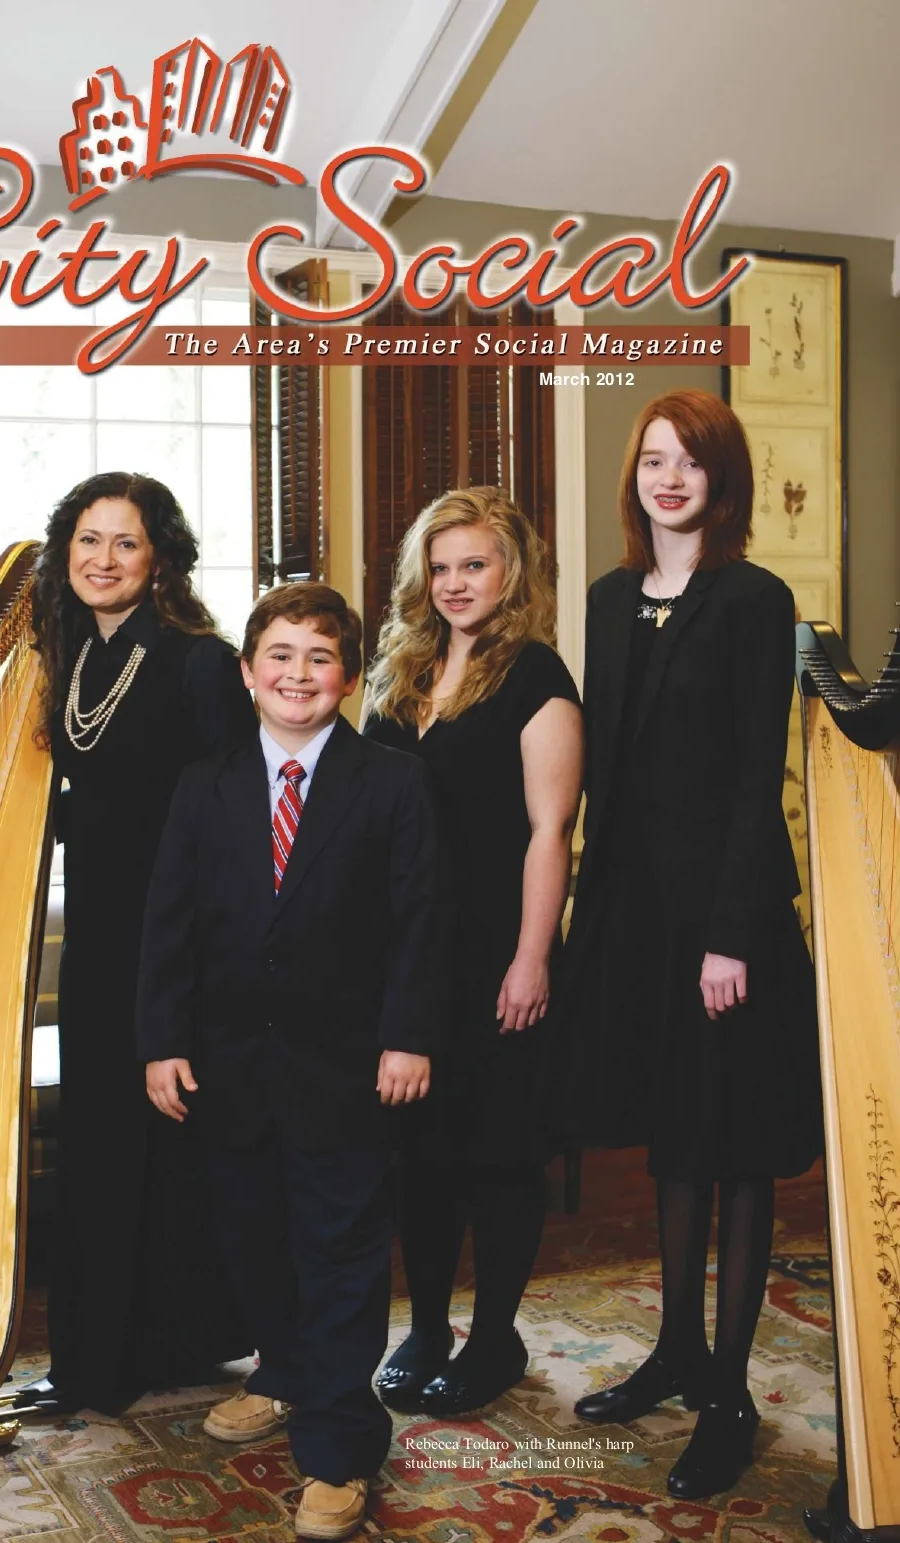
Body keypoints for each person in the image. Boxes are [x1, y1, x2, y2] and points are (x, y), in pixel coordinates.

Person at [136, 583, 445, 1542]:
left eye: (319, 657)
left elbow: (420, 923)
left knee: (340, 1256)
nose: (297, 674)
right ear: (247, 672)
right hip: (229, 1065)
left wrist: (409, 1035)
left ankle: (340, 1447)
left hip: (348, 1069)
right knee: (255, 1241)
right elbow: (169, 924)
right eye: (279, 654)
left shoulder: (392, 782)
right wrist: (161, 1041)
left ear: (348, 677)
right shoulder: (206, 783)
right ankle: (282, 1372)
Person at [560, 390, 823, 1499]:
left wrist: (730, 934)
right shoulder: (609, 598)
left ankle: (729, 1394)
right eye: (653, 461)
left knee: (735, 1145)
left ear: (723, 479)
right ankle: (674, 1349)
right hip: (636, 918)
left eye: (691, 462)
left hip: (728, 922)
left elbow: (755, 775)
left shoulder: (756, 599)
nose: (669, 479)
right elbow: (609, 771)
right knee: (675, 1134)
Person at [17, 470, 257, 1417]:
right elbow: (98, 798)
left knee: (164, 1144)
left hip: (177, 940)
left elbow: (235, 816)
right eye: (88, 539)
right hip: (99, 938)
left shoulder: (200, 662)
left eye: (125, 541)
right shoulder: (72, 657)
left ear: (159, 558)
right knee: (104, 1141)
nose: (104, 558)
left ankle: (147, 1348)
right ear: (65, 553)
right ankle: (114, 1351)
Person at [362, 487, 583, 1417]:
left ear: (510, 573)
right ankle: (425, 1329)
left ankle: (494, 1336)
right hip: (406, 951)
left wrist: (532, 957)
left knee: (497, 1150)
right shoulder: (400, 671)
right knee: (419, 1153)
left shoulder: (537, 677)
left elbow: (550, 831)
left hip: (496, 946)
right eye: (440, 566)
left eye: (474, 565)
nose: (455, 583)